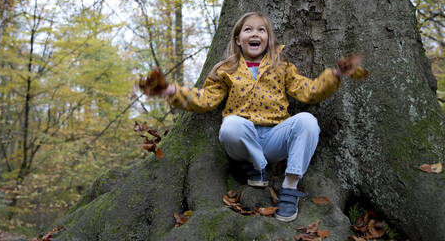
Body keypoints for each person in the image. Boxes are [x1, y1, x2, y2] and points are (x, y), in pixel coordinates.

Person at [153, 12, 362, 222]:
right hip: (243, 141)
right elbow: (204, 98)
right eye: (248, 30)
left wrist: (334, 75)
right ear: (238, 39)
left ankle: (289, 187)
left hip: (274, 138)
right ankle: (256, 166)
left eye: (261, 30)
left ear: (268, 39)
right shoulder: (227, 70)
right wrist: (172, 92)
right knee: (230, 124)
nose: (255, 34)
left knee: (308, 121)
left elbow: (310, 91)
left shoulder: (281, 67)